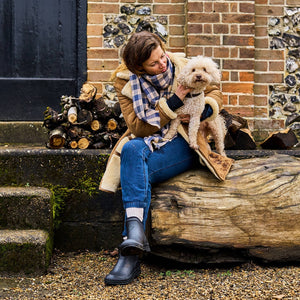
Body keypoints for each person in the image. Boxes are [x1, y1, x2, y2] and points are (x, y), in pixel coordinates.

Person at [100, 31, 224, 285]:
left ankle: (129, 253)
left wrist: (204, 109)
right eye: (154, 64)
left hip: (187, 143)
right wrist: (175, 102)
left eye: (162, 56)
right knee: (133, 149)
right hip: (153, 139)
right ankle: (135, 237)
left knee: (134, 165)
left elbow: (215, 92)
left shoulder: (182, 64)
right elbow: (139, 128)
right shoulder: (125, 83)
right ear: (139, 68)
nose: (163, 64)